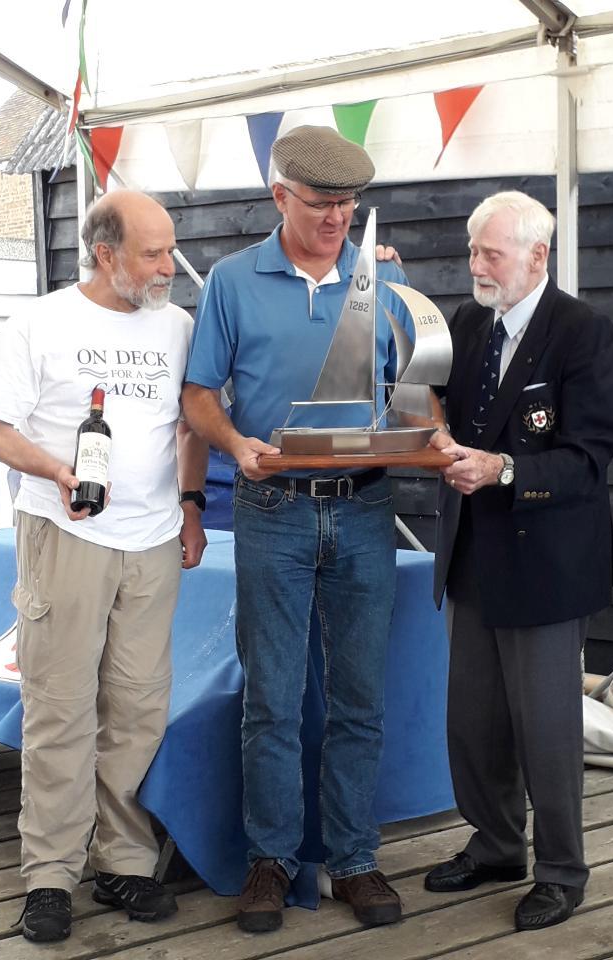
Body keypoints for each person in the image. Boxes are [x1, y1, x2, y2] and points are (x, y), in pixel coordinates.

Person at [182, 125, 429, 933]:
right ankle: (272, 860)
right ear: (280, 195)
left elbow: (417, 395)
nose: (338, 220)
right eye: (322, 203)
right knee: (271, 700)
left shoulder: (379, 282)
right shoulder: (229, 280)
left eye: (350, 206)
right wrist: (234, 445)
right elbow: (199, 397)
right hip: (271, 513)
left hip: (365, 508)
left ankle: (355, 859)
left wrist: (429, 434)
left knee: (361, 699)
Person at [0, 190, 209, 943]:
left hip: (154, 541)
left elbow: (190, 422)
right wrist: (56, 470)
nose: (168, 267)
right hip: (64, 537)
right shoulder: (41, 322)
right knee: (61, 708)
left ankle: (123, 861)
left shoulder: (178, 327)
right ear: (105, 254)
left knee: (138, 709)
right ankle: (49, 875)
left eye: (169, 250)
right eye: (152, 253)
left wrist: (194, 506)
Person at [425, 190, 613, 931]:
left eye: (491, 254)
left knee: (547, 728)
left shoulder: (583, 330)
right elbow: (426, 396)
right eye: (472, 250)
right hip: (473, 554)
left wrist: (505, 469)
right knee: (472, 721)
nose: (475, 265)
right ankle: (498, 844)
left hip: (545, 565)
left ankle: (564, 870)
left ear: (537, 256)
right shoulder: (470, 320)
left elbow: (589, 457)